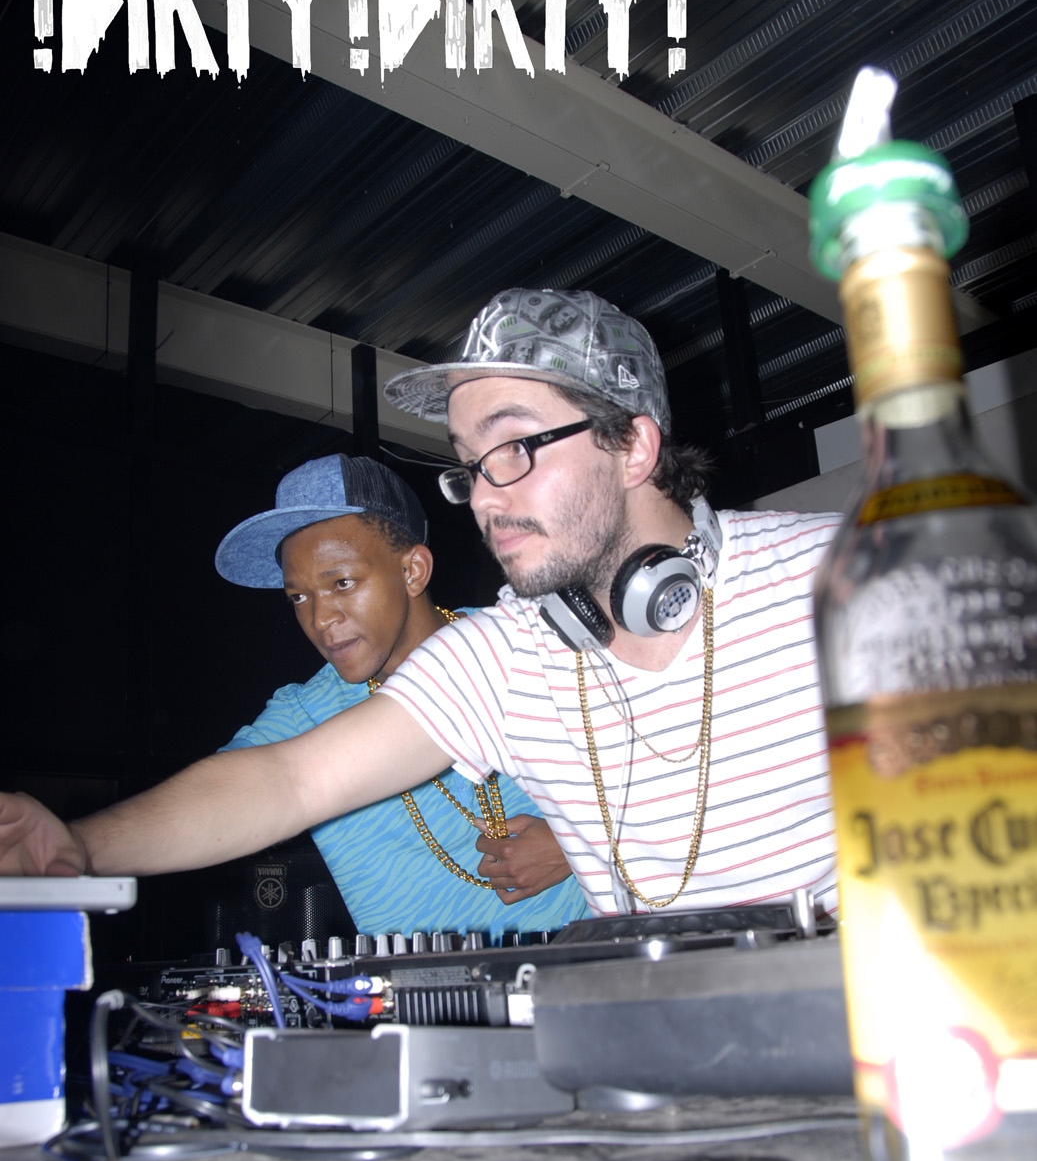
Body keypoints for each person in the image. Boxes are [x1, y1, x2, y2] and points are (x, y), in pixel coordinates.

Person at [0, 288, 839, 919]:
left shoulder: (841, 576)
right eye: (469, 464)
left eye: (513, 446)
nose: (485, 496)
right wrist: (78, 844)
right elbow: (289, 778)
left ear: (632, 445)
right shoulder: (511, 652)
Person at [212, 453, 588, 939]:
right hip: (421, 988)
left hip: (603, 961)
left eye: (342, 582)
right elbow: (214, 798)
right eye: (299, 597)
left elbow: (671, 762)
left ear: (412, 571)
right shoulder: (305, 714)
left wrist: (576, 844)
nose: (319, 619)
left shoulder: (528, 643)